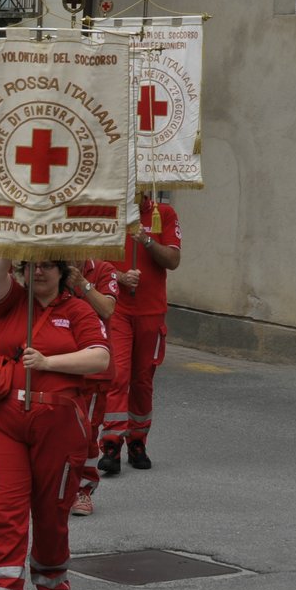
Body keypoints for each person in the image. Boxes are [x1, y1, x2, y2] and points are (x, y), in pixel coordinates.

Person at [0, 258, 110, 590]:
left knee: (51, 509)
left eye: (48, 265)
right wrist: (11, 234)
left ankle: (51, 582)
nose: (38, 272)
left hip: (59, 426)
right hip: (4, 422)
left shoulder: (79, 311)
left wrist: (49, 363)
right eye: (30, 265)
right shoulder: (12, 300)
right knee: (5, 507)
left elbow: (100, 357)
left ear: (62, 272)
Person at [99, 194, 182, 475]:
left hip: (151, 312)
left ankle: (137, 441)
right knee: (118, 375)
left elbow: (173, 259)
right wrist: (119, 277)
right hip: (119, 309)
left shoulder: (165, 214)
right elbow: (92, 258)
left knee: (142, 380)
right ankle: (111, 444)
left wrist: (145, 239)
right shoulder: (108, 212)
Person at [68, 259, 120, 516]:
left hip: (92, 372)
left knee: (85, 433)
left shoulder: (103, 269)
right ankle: (56, 486)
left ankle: (83, 489)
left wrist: (81, 283)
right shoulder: (51, 265)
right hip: (59, 364)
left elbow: (108, 309)